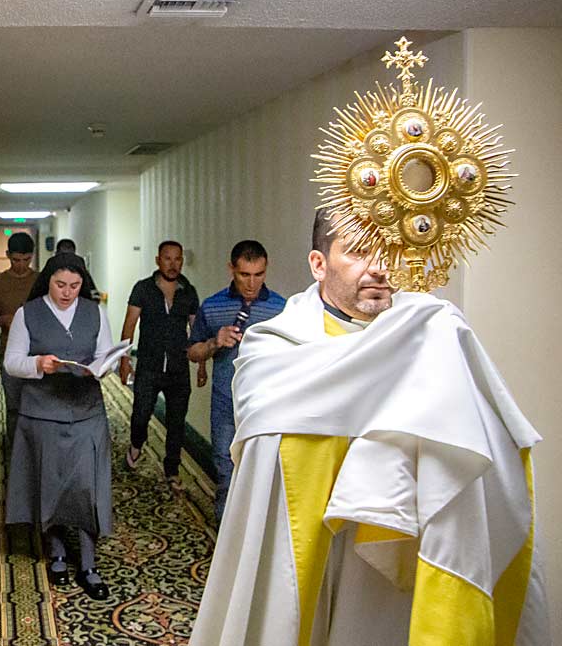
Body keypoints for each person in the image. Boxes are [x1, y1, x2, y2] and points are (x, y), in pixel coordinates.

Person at [188, 209, 548, 645]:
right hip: (305, 543)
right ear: (319, 264)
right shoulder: (274, 345)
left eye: (388, 249)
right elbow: (264, 448)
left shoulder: (433, 334)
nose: (379, 266)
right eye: (358, 251)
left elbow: (482, 436)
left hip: (399, 547)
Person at [3, 252, 116, 600]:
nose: (67, 292)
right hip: (42, 414)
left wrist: (102, 367)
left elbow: (106, 354)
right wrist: (39, 363)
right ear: (48, 281)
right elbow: (12, 363)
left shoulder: (95, 312)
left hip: (86, 411)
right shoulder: (28, 314)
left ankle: (88, 563)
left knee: (87, 487)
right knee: (49, 485)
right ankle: (56, 554)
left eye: (75, 286)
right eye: (60, 284)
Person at [187, 240, 285, 523]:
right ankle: (225, 545)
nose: (252, 284)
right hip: (226, 404)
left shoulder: (282, 309)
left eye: (259, 275)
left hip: (266, 406)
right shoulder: (213, 306)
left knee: (267, 475)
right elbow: (193, 353)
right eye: (244, 275)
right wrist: (214, 343)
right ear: (232, 269)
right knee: (226, 473)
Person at [119, 240, 199, 491]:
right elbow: (129, 325)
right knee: (141, 414)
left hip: (179, 368)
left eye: (178, 259)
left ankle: (172, 470)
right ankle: (136, 444)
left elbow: (195, 330)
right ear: (158, 260)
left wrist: (202, 364)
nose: (173, 264)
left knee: (177, 423)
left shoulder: (188, 291)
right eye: (168, 258)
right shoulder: (143, 289)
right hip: (149, 365)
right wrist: (124, 360)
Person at [0, 231, 38, 442]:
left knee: (38, 410)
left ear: (31, 256)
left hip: (38, 353)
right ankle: (16, 455)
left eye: (26, 260)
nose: (21, 265)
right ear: (7, 255)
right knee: (14, 408)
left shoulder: (41, 281)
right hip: (11, 352)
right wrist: (4, 319)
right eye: (16, 260)